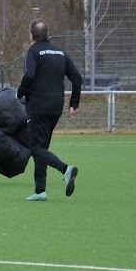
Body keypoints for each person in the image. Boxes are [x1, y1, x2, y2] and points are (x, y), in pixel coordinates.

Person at [16, 18, 83, 201]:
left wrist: (19, 93)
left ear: (31, 35)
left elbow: (29, 74)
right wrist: (74, 103)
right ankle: (40, 190)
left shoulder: (33, 51)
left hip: (38, 106)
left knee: (35, 148)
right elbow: (77, 78)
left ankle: (66, 169)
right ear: (48, 34)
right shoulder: (61, 52)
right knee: (42, 147)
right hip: (56, 107)